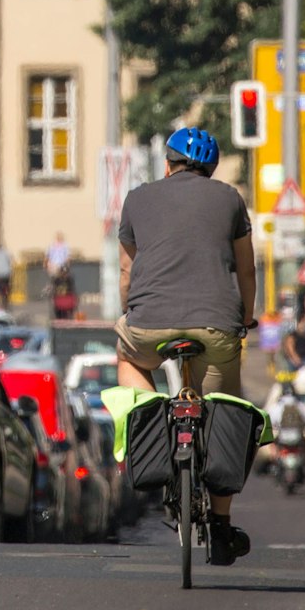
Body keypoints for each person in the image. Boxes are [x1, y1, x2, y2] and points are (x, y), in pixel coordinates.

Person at [113, 126, 257, 565]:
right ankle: (221, 522)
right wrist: (245, 318)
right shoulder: (230, 199)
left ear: (167, 164)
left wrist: (131, 313)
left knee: (127, 357)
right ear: (210, 170)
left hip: (149, 328)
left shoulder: (138, 198)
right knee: (225, 406)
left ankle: (148, 427)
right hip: (217, 328)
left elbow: (126, 272)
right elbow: (246, 271)